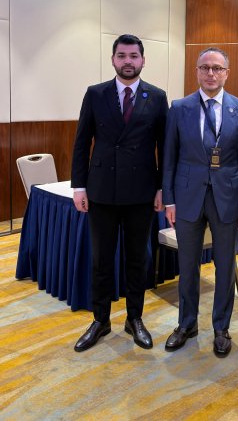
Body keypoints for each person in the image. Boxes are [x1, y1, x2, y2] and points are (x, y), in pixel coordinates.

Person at [71, 34, 168, 352]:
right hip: (101, 192)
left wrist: (162, 188)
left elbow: (164, 147)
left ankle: (134, 318)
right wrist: (79, 186)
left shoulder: (157, 97)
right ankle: (100, 320)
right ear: (113, 59)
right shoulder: (95, 93)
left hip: (141, 193)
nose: (128, 61)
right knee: (101, 260)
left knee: (137, 259)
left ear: (143, 60)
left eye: (134, 56)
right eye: (122, 55)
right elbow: (82, 142)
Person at [162, 47, 238, 357]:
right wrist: (170, 200)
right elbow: (169, 158)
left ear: (226, 73)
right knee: (187, 265)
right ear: (197, 72)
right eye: (205, 67)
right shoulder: (179, 108)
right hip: (187, 197)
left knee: (225, 265)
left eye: (217, 68)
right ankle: (186, 324)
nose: (211, 73)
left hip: (228, 197)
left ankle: (221, 327)